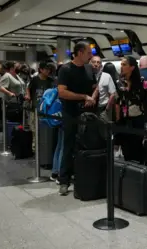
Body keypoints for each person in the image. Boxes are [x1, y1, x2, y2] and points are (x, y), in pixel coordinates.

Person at [57, 41, 97, 196]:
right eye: (88, 53)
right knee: (68, 145)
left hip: (88, 113)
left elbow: (95, 87)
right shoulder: (65, 70)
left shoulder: (89, 69)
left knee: (86, 144)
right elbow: (62, 92)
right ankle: (64, 180)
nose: (91, 56)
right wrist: (83, 96)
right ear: (80, 53)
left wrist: (92, 97)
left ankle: (83, 176)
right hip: (70, 113)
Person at [115, 56, 147, 163]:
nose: (121, 67)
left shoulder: (140, 81)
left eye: (124, 64)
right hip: (124, 120)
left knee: (137, 148)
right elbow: (117, 101)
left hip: (138, 119)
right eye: (121, 64)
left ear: (131, 67)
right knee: (126, 149)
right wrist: (117, 120)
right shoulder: (119, 82)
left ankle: (139, 171)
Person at [25, 61, 54, 151]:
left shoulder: (50, 81)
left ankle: (44, 148)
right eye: (46, 69)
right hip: (35, 107)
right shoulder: (35, 79)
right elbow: (28, 88)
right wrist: (28, 95)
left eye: (49, 69)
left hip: (46, 109)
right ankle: (35, 148)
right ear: (41, 70)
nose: (48, 71)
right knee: (34, 128)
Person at [90, 56, 116, 122]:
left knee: (104, 130)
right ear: (90, 63)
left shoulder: (107, 76)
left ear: (101, 65)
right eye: (93, 62)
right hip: (90, 109)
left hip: (103, 109)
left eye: (98, 62)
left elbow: (112, 94)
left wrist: (107, 109)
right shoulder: (87, 76)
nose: (96, 64)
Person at [50, 65, 65, 184]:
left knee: (59, 145)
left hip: (56, 115)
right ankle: (61, 173)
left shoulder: (54, 82)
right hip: (63, 116)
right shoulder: (63, 84)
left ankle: (55, 171)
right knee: (63, 146)